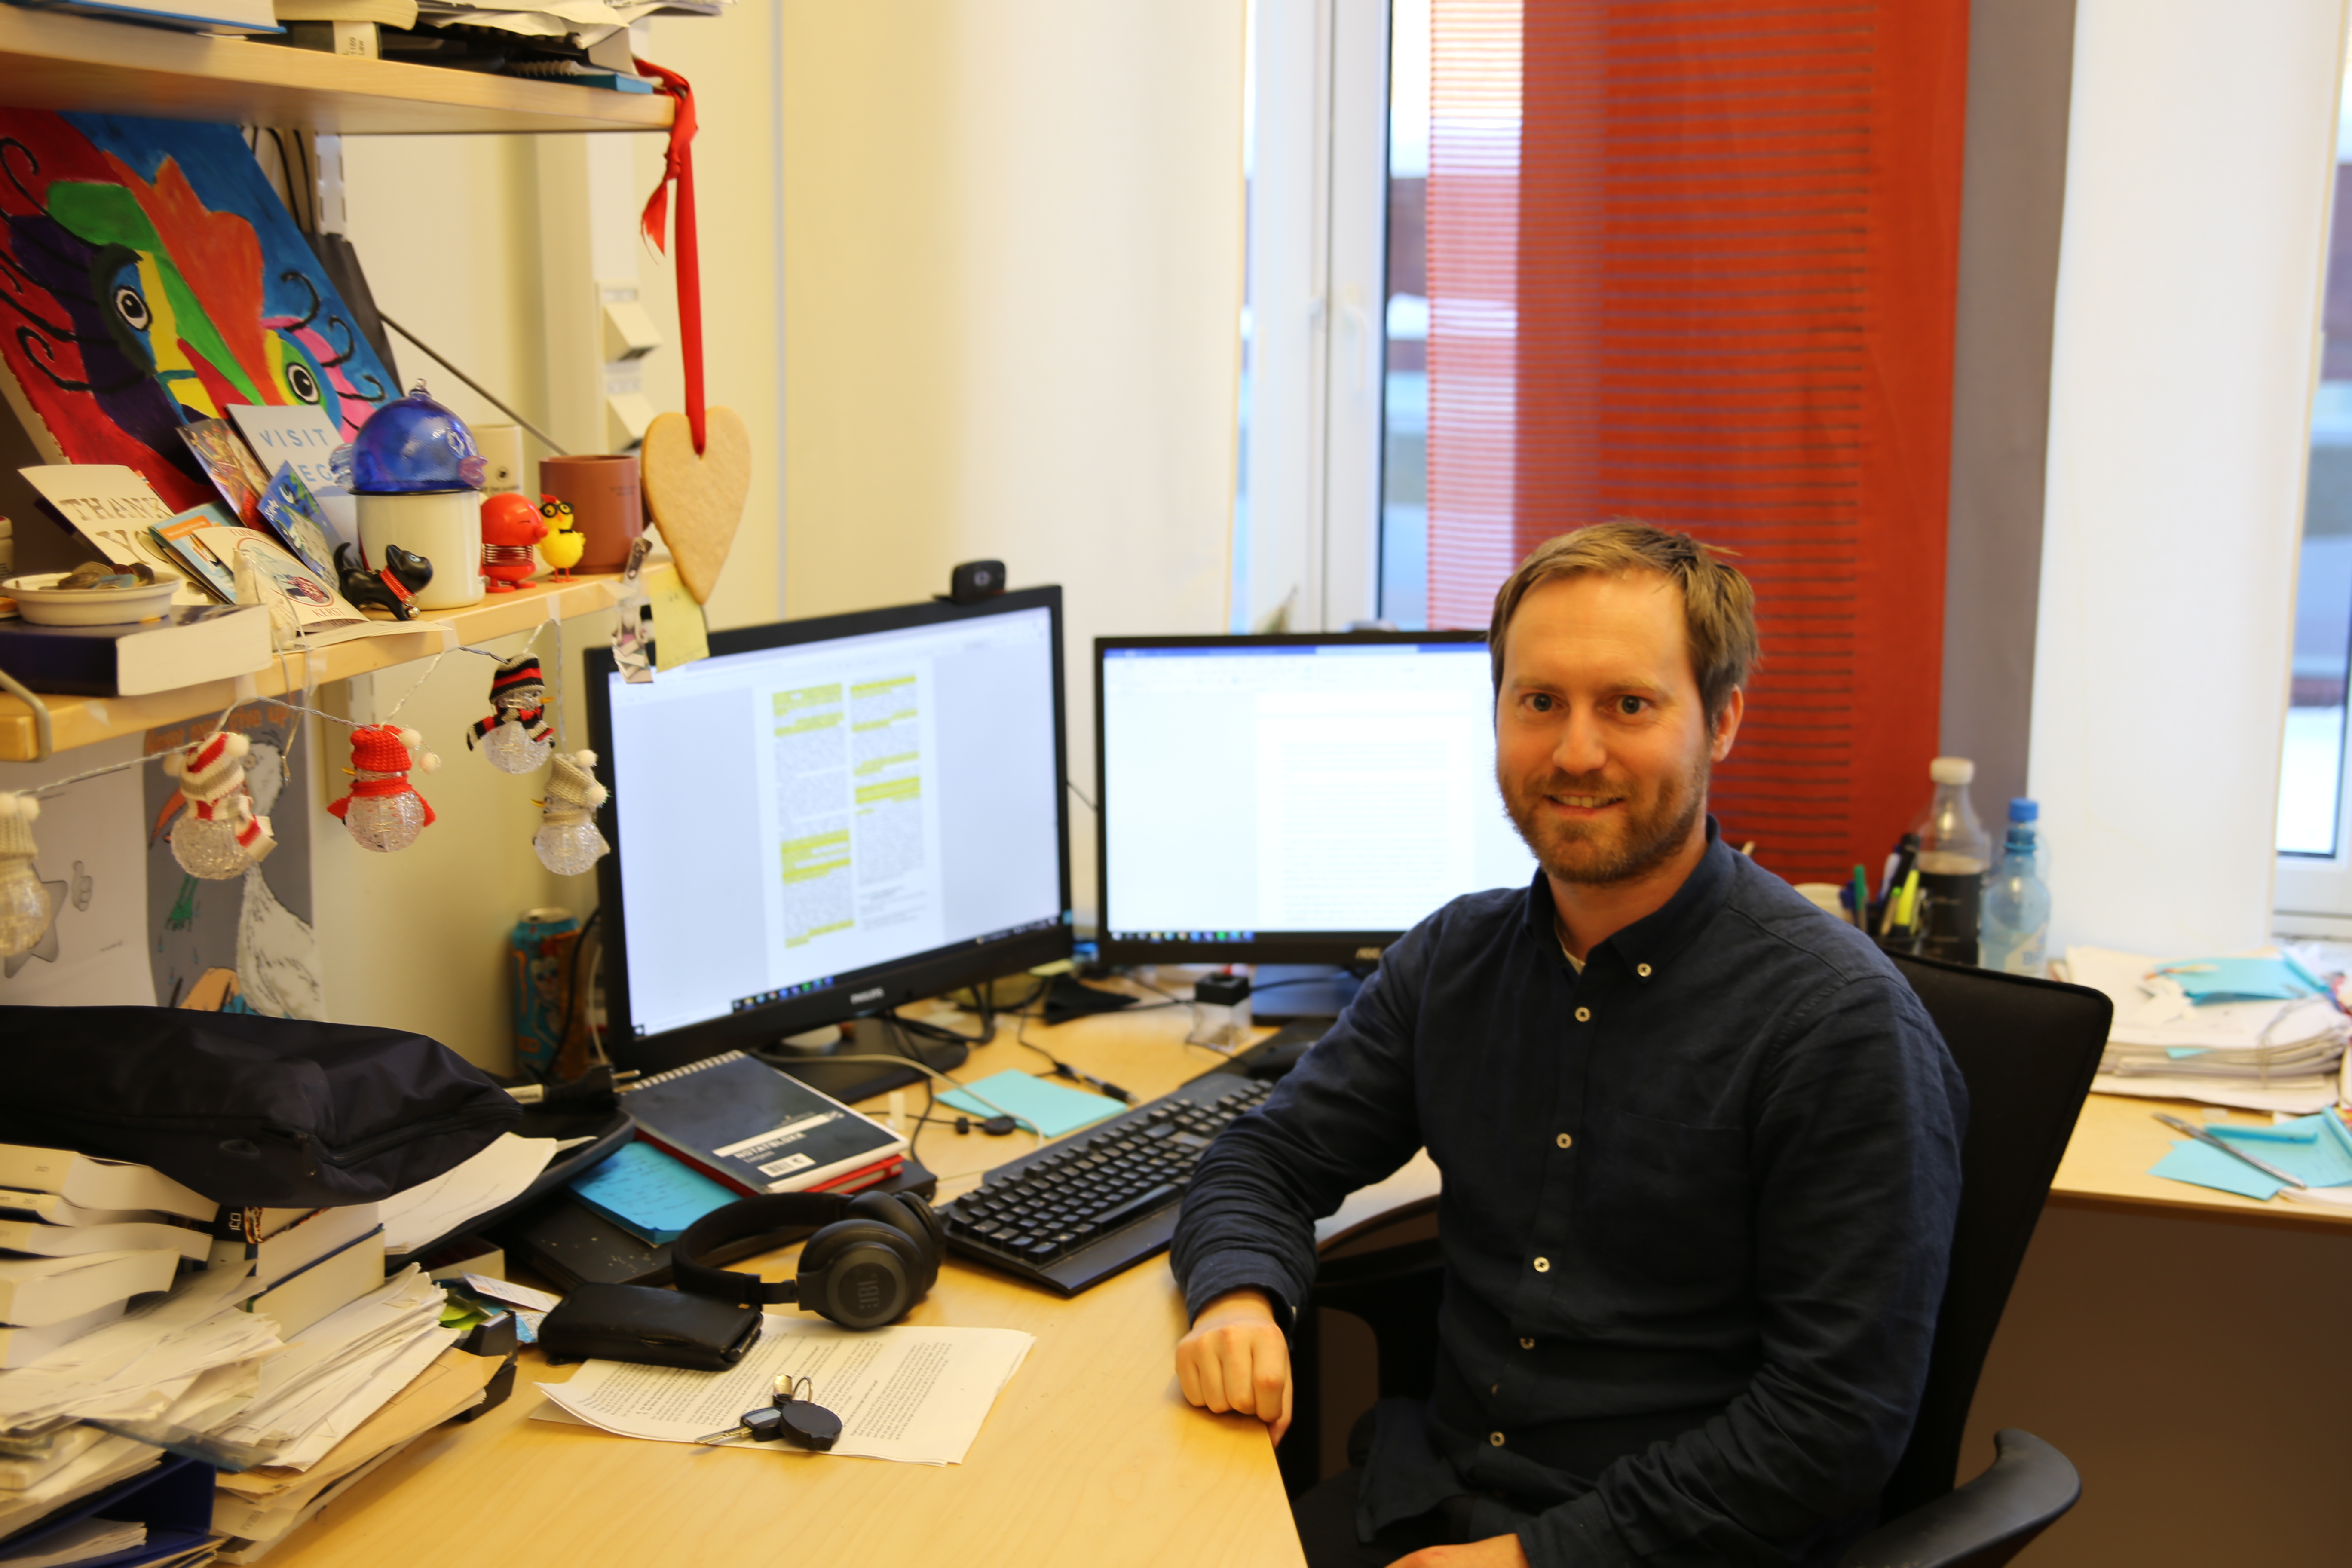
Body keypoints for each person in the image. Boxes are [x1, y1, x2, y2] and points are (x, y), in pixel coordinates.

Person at [1170, 522, 1966, 1568]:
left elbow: (1833, 1425)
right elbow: (1264, 1161)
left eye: (1628, 705)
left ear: (1722, 721)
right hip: (1424, 1502)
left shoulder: (1838, 1027)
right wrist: (1238, 1299)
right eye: (1539, 702)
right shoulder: (1454, 960)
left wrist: (1532, 1561)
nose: (1576, 753)